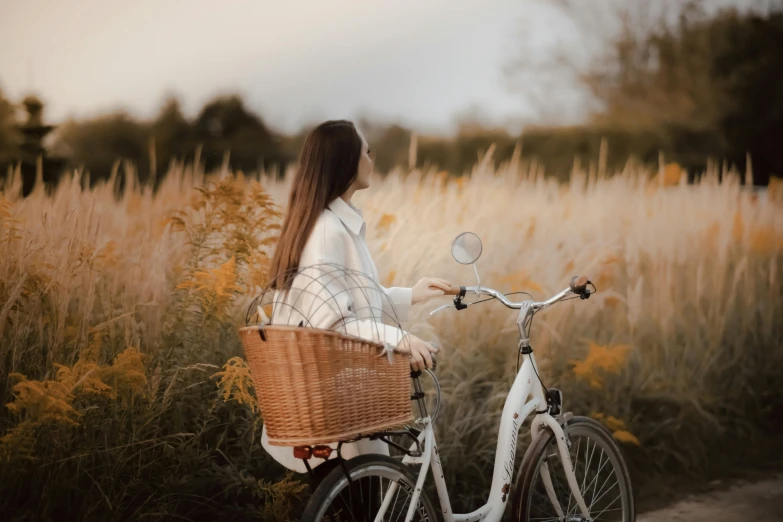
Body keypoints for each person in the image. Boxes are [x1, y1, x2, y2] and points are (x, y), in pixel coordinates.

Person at [261, 119, 451, 480]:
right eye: (367, 151)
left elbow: (354, 301)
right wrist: (401, 338)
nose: (371, 158)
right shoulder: (326, 231)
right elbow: (333, 323)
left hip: (344, 398)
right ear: (348, 161)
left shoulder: (334, 223)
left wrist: (412, 294)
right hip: (334, 408)